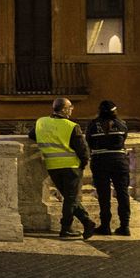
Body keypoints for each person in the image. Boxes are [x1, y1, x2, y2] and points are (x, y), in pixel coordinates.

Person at [34, 97, 95, 240]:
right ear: (63, 109)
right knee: (71, 198)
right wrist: (84, 163)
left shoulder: (41, 122)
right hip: (71, 167)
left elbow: (32, 135)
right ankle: (66, 228)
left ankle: (87, 222)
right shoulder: (71, 126)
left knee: (70, 198)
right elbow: (83, 150)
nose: (72, 109)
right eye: (70, 106)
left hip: (52, 166)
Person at [86, 100, 131, 236]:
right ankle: (125, 226)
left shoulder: (93, 125)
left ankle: (105, 226)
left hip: (100, 161)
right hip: (119, 161)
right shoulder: (122, 124)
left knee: (103, 195)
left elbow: (89, 142)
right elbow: (123, 139)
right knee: (122, 193)